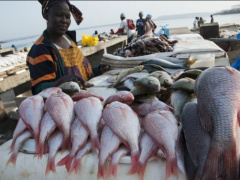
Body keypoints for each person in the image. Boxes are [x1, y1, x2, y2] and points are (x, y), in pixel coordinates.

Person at [27, 0, 110, 95]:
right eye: (59, 15)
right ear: (46, 15)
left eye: (67, 17)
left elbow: (80, 72)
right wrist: (60, 83)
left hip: (87, 95)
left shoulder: (69, 39)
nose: (64, 20)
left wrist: (97, 70)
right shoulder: (41, 49)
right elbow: (39, 89)